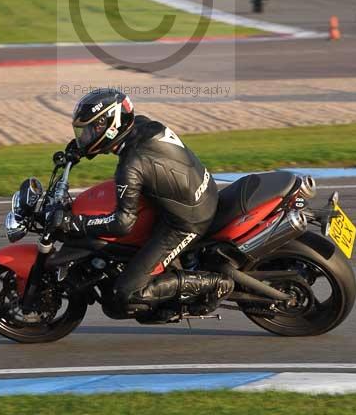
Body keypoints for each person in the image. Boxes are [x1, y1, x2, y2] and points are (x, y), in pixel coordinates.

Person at [59, 89, 234, 316]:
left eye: (92, 129)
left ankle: (217, 283)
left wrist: (76, 223)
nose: (87, 136)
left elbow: (122, 224)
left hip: (187, 220)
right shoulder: (142, 126)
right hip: (196, 193)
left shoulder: (131, 165)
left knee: (127, 293)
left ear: (112, 125)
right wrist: (80, 149)